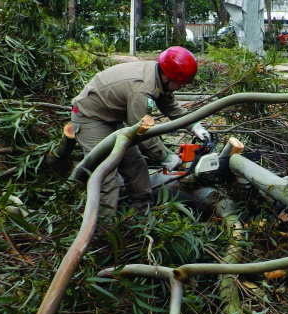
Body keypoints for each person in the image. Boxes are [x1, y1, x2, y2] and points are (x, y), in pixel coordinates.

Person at [70, 46, 211, 213]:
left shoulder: (157, 76)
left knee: (136, 166)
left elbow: (170, 106)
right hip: (90, 118)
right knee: (107, 179)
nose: (180, 88)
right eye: (179, 84)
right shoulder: (142, 90)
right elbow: (140, 132)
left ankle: (143, 216)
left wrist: (194, 126)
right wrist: (165, 156)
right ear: (167, 77)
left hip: (111, 119)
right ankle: (103, 230)